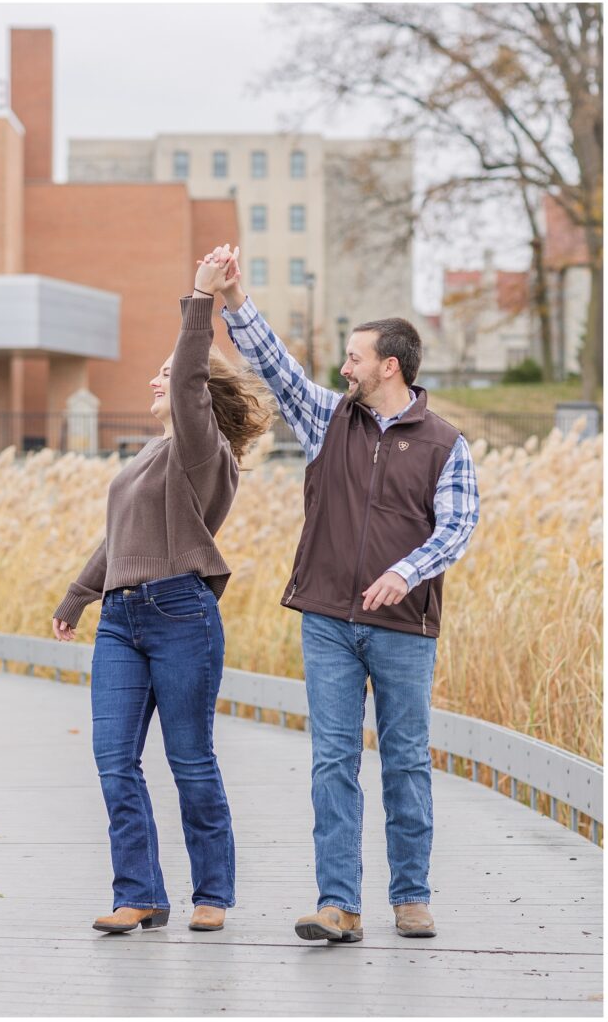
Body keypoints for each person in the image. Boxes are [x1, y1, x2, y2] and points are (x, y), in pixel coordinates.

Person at [206, 242, 480, 943]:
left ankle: (411, 897)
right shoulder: (329, 421)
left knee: (406, 759)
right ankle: (339, 905)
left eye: (355, 358)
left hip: (404, 627)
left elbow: (458, 526)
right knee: (332, 760)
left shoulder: (446, 443)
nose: (345, 368)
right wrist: (235, 301)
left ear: (389, 365)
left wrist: (405, 572)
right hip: (328, 617)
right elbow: (278, 367)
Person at [52, 248, 272, 935]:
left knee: (189, 760)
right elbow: (121, 538)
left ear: (198, 393)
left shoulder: (204, 454)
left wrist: (201, 296)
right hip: (121, 618)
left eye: (170, 373)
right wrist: (77, 596)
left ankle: (213, 894)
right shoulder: (150, 456)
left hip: (182, 615)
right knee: (114, 759)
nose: (158, 379)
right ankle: (140, 893)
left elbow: (187, 384)